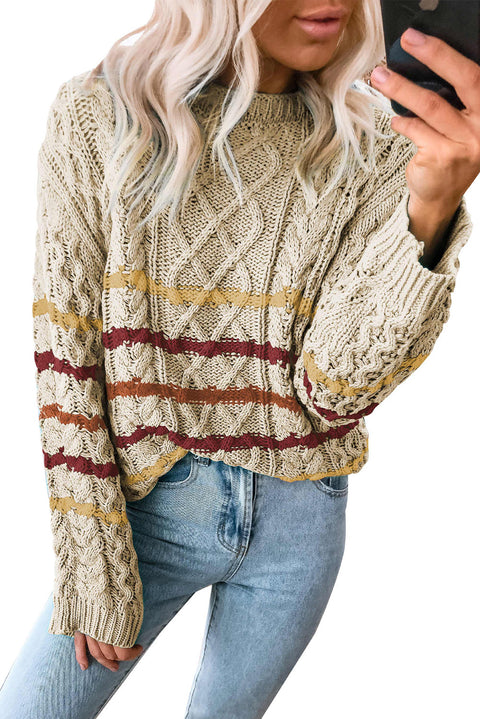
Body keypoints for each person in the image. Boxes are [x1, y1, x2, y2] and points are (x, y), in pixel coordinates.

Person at [0, 1, 475, 717]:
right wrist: (90, 558)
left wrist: (431, 208)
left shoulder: (381, 141)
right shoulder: (99, 115)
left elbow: (334, 390)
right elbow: (66, 352)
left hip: (302, 520)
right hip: (150, 510)